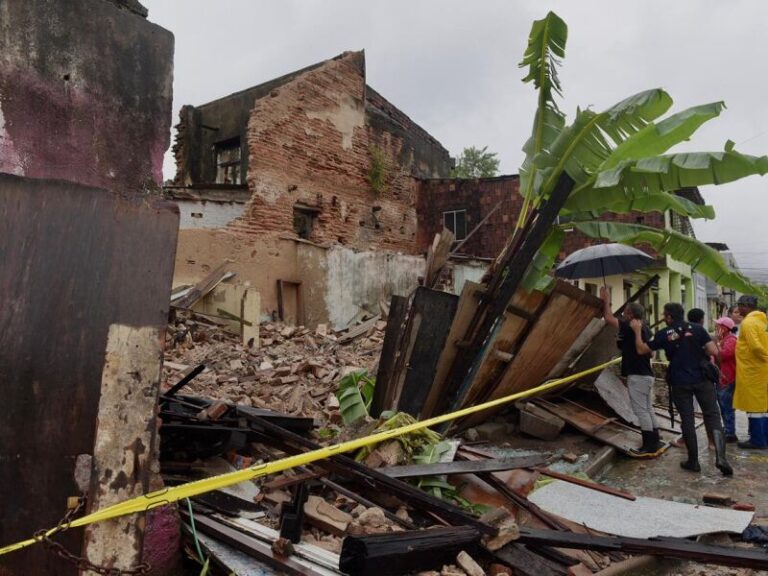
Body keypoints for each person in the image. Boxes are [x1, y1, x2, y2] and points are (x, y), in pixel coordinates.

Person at [630, 302, 733, 475]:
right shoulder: (697, 329)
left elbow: (641, 350)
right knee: (713, 416)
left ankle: (693, 461)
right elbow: (713, 351)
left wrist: (637, 331)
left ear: (669, 317)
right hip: (702, 379)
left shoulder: (664, 333)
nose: (664, 318)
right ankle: (721, 457)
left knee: (687, 419)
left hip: (680, 381)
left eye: (664, 315)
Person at [600, 287, 662, 456]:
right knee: (648, 408)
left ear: (630, 315)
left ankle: (649, 445)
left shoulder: (630, 326)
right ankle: (655, 439)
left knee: (641, 410)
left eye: (625, 312)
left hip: (638, 375)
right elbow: (652, 353)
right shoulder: (645, 328)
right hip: (647, 374)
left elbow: (608, 318)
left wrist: (606, 299)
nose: (623, 315)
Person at [733, 295, 768, 449]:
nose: (738, 309)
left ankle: (757, 441)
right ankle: (764, 438)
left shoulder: (748, 322)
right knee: (763, 406)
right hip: (762, 371)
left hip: (753, 370)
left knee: (754, 407)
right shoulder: (763, 321)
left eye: (739, 305)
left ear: (746, 306)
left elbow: (755, 347)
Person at [714, 316, 738, 442]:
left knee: (727, 406)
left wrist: (717, 344)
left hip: (728, 378)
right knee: (723, 405)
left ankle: (730, 432)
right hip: (722, 377)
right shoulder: (725, 339)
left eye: (718, 326)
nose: (716, 328)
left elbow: (723, 355)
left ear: (724, 328)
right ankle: (728, 429)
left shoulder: (731, 340)